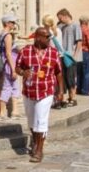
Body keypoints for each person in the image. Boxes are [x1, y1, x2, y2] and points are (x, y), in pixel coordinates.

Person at [15, 27, 63, 163]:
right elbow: (17, 67)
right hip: (29, 91)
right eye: (47, 37)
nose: (49, 39)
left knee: (41, 120)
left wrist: (60, 91)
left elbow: (58, 72)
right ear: (38, 37)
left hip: (46, 91)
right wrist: (23, 73)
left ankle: (39, 150)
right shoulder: (25, 51)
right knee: (32, 121)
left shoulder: (53, 53)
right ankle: (35, 142)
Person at [57, 8, 82, 106]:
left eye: (60, 18)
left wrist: (75, 56)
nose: (59, 20)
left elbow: (79, 42)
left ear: (65, 16)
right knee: (64, 77)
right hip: (63, 55)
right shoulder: (61, 27)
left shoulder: (75, 26)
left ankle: (73, 98)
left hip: (71, 56)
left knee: (71, 77)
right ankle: (66, 97)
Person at [0, 14, 20, 117]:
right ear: (7, 23)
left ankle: (14, 110)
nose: (14, 25)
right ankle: (3, 111)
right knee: (9, 86)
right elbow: (8, 53)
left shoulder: (2, 34)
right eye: (13, 22)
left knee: (12, 86)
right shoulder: (8, 35)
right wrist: (13, 69)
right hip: (10, 63)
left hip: (7, 62)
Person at [78, 16, 89, 95]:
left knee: (79, 72)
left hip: (78, 51)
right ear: (86, 22)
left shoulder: (78, 29)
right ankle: (85, 90)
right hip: (85, 51)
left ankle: (79, 89)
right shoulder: (86, 29)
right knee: (87, 72)